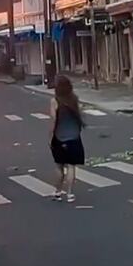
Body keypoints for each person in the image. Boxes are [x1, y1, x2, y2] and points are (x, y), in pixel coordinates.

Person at [49, 75, 85, 203]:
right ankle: (70, 194)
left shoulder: (55, 101)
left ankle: (57, 192)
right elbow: (79, 115)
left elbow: (53, 120)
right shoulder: (74, 99)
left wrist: (50, 136)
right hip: (74, 136)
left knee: (59, 166)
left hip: (59, 137)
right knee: (71, 166)